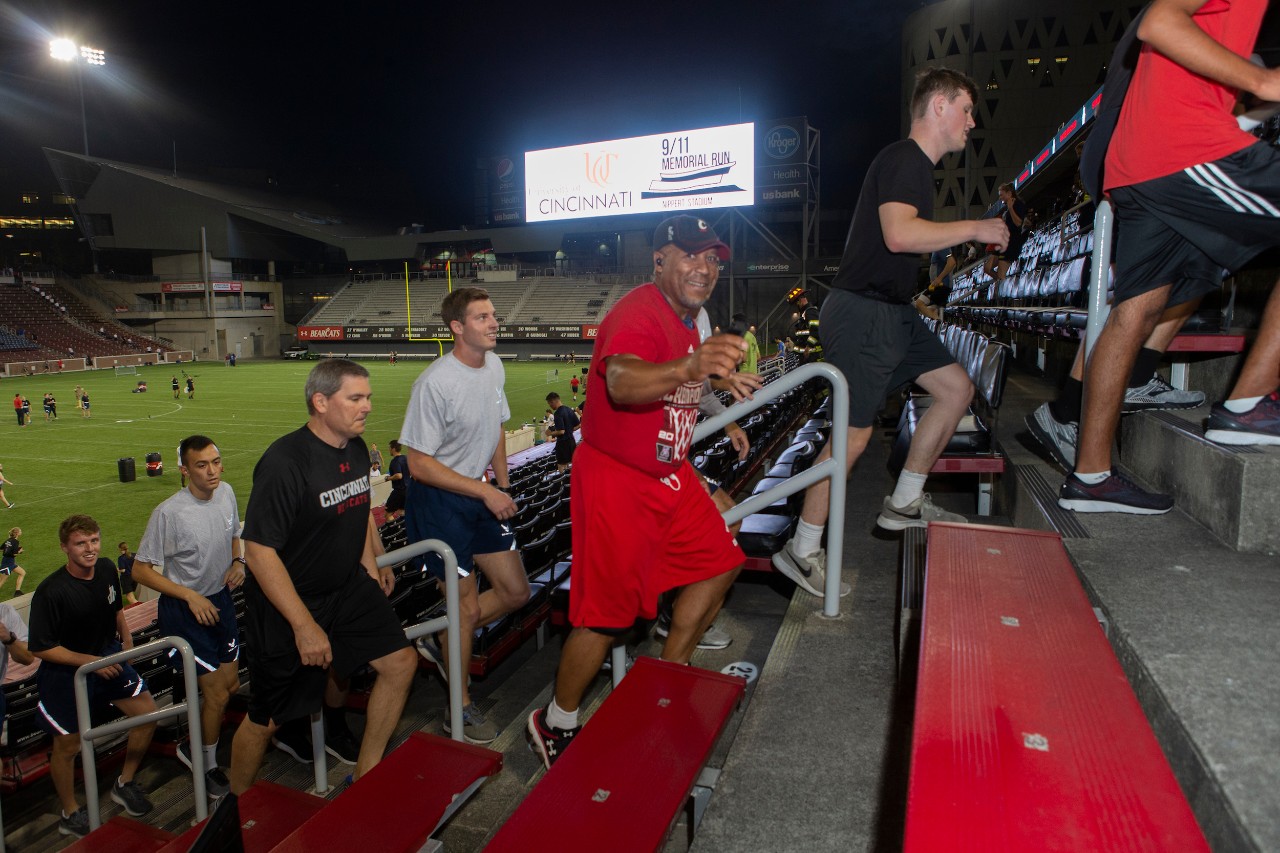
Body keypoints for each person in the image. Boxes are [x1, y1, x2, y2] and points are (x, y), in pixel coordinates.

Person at [772, 67, 1011, 594]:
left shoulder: (914, 166)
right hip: (865, 313)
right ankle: (801, 549)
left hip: (893, 312)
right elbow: (899, 235)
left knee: (956, 389)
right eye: (967, 109)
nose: (972, 122)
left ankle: (904, 501)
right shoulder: (906, 159)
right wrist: (975, 226)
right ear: (940, 106)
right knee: (852, 436)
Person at [527, 215, 751, 769]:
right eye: (690, 255)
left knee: (722, 560)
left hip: (669, 471)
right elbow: (623, 381)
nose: (705, 267)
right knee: (607, 617)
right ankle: (555, 721)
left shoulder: (689, 318)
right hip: (618, 477)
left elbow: (679, 375)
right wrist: (694, 364)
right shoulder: (638, 311)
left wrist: (715, 378)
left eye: (712, 258)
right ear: (659, 260)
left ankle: (665, 677)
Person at [1063, 0, 1280, 514]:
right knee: (1134, 312)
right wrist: (1263, 81)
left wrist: (1251, 95)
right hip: (1181, 147)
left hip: (1138, 163)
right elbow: (1159, 21)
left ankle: (1090, 477)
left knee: (1135, 310)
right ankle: (1249, 405)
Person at [228, 359, 416, 794]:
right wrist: (303, 625)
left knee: (400, 663)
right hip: (288, 604)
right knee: (266, 719)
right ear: (321, 401)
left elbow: (357, 509)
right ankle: (232, 812)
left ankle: (365, 778)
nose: (367, 406)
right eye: (356, 398)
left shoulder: (355, 447)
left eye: (368, 397)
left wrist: (372, 563)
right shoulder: (284, 462)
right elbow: (258, 551)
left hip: (346, 586)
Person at [401, 288, 532, 744]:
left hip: (479, 493)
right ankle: (458, 708)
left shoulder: (493, 365)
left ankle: (444, 637)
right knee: (466, 606)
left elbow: (496, 426)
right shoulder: (435, 383)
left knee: (516, 592)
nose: (494, 322)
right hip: (438, 501)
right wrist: (484, 490)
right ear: (457, 327)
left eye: (494, 314)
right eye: (482, 317)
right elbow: (418, 465)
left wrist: (502, 485)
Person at [28, 515, 159, 838]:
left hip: (107, 658)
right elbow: (41, 648)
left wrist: (126, 641)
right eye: (80, 543)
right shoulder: (50, 592)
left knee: (147, 715)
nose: (89, 549)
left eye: (94, 541)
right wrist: (89, 662)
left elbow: (115, 608)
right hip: (65, 673)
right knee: (68, 746)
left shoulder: (106, 568)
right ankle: (70, 813)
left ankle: (125, 782)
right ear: (64, 547)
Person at [131, 435, 244, 800]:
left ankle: (196, 744)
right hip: (185, 611)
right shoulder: (169, 513)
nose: (212, 471)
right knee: (216, 694)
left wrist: (238, 561)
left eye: (216, 462)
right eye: (201, 465)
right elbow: (140, 570)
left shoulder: (227, 493)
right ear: (184, 470)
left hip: (220, 601)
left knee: (230, 687)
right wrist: (189, 595)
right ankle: (205, 762)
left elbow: (235, 535)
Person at [981, 183, 1028, 284]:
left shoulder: (1018, 204)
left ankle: (1003, 286)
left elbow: (1018, 223)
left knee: (1001, 274)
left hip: (1011, 244)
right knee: (987, 268)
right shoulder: (1007, 207)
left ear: (1009, 193)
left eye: (1001, 195)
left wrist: (1010, 208)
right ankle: (1002, 284)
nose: (1000, 197)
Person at [545, 392, 580, 472]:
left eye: (550, 403)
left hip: (563, 443)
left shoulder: (558, 413)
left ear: (553, 401)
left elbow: (561, 431)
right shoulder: (569, 409)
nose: (550, 406)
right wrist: (569, 430)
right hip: (572, 441)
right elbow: (578, 425)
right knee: (571, 464)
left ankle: (563, 479)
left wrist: (550, 433)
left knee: (561, 465)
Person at [384, 440, 408, 518]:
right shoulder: (405, 458)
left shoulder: (395, 461)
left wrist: (388, 478)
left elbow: (399, 475)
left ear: (393, 449)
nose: (389, 450)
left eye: (389, 448)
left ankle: (391, 526)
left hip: (399, 492)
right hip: (408, 490)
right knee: (402, 512)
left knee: (387, 515)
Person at [2, 527, 26, 596]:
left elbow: (1, 549)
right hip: (7, 564)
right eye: (20, 531)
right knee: (2, 581)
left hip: (10, 562)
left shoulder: (8, 540)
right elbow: (15, 554)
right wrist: (19, 551)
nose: (21, 532)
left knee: (22, 573)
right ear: (17, 533)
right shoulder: (15, 542)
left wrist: (10, 549)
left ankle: (17, 591)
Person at [116, 541, 138, 606]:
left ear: (121, 549)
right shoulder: (134, 555)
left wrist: (117, 570)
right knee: (135, 594)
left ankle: (141, 609)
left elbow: (123, 570)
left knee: (130, 597)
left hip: (126, 578)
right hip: (135, 576)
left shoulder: (121, 558)